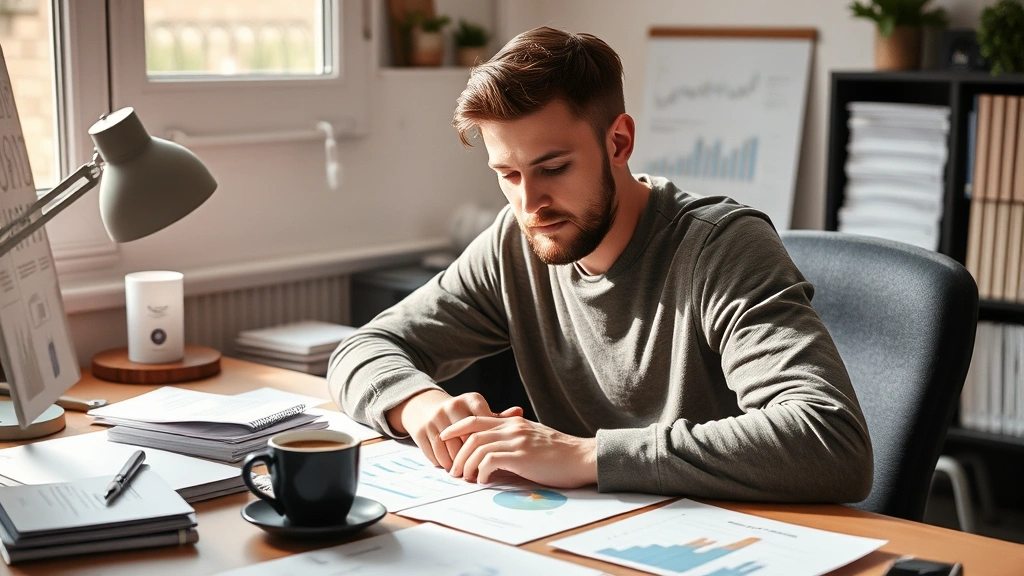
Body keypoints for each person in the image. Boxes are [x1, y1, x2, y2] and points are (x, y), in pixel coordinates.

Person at [328, 26, 873, 502]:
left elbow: (830, 440)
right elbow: (363, 349)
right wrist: (420, 404)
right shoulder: (514, 245)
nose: (530, 204)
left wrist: (588, 457)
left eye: (554, 168)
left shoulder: (721, 247)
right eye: (508, 175)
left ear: (619, 141)